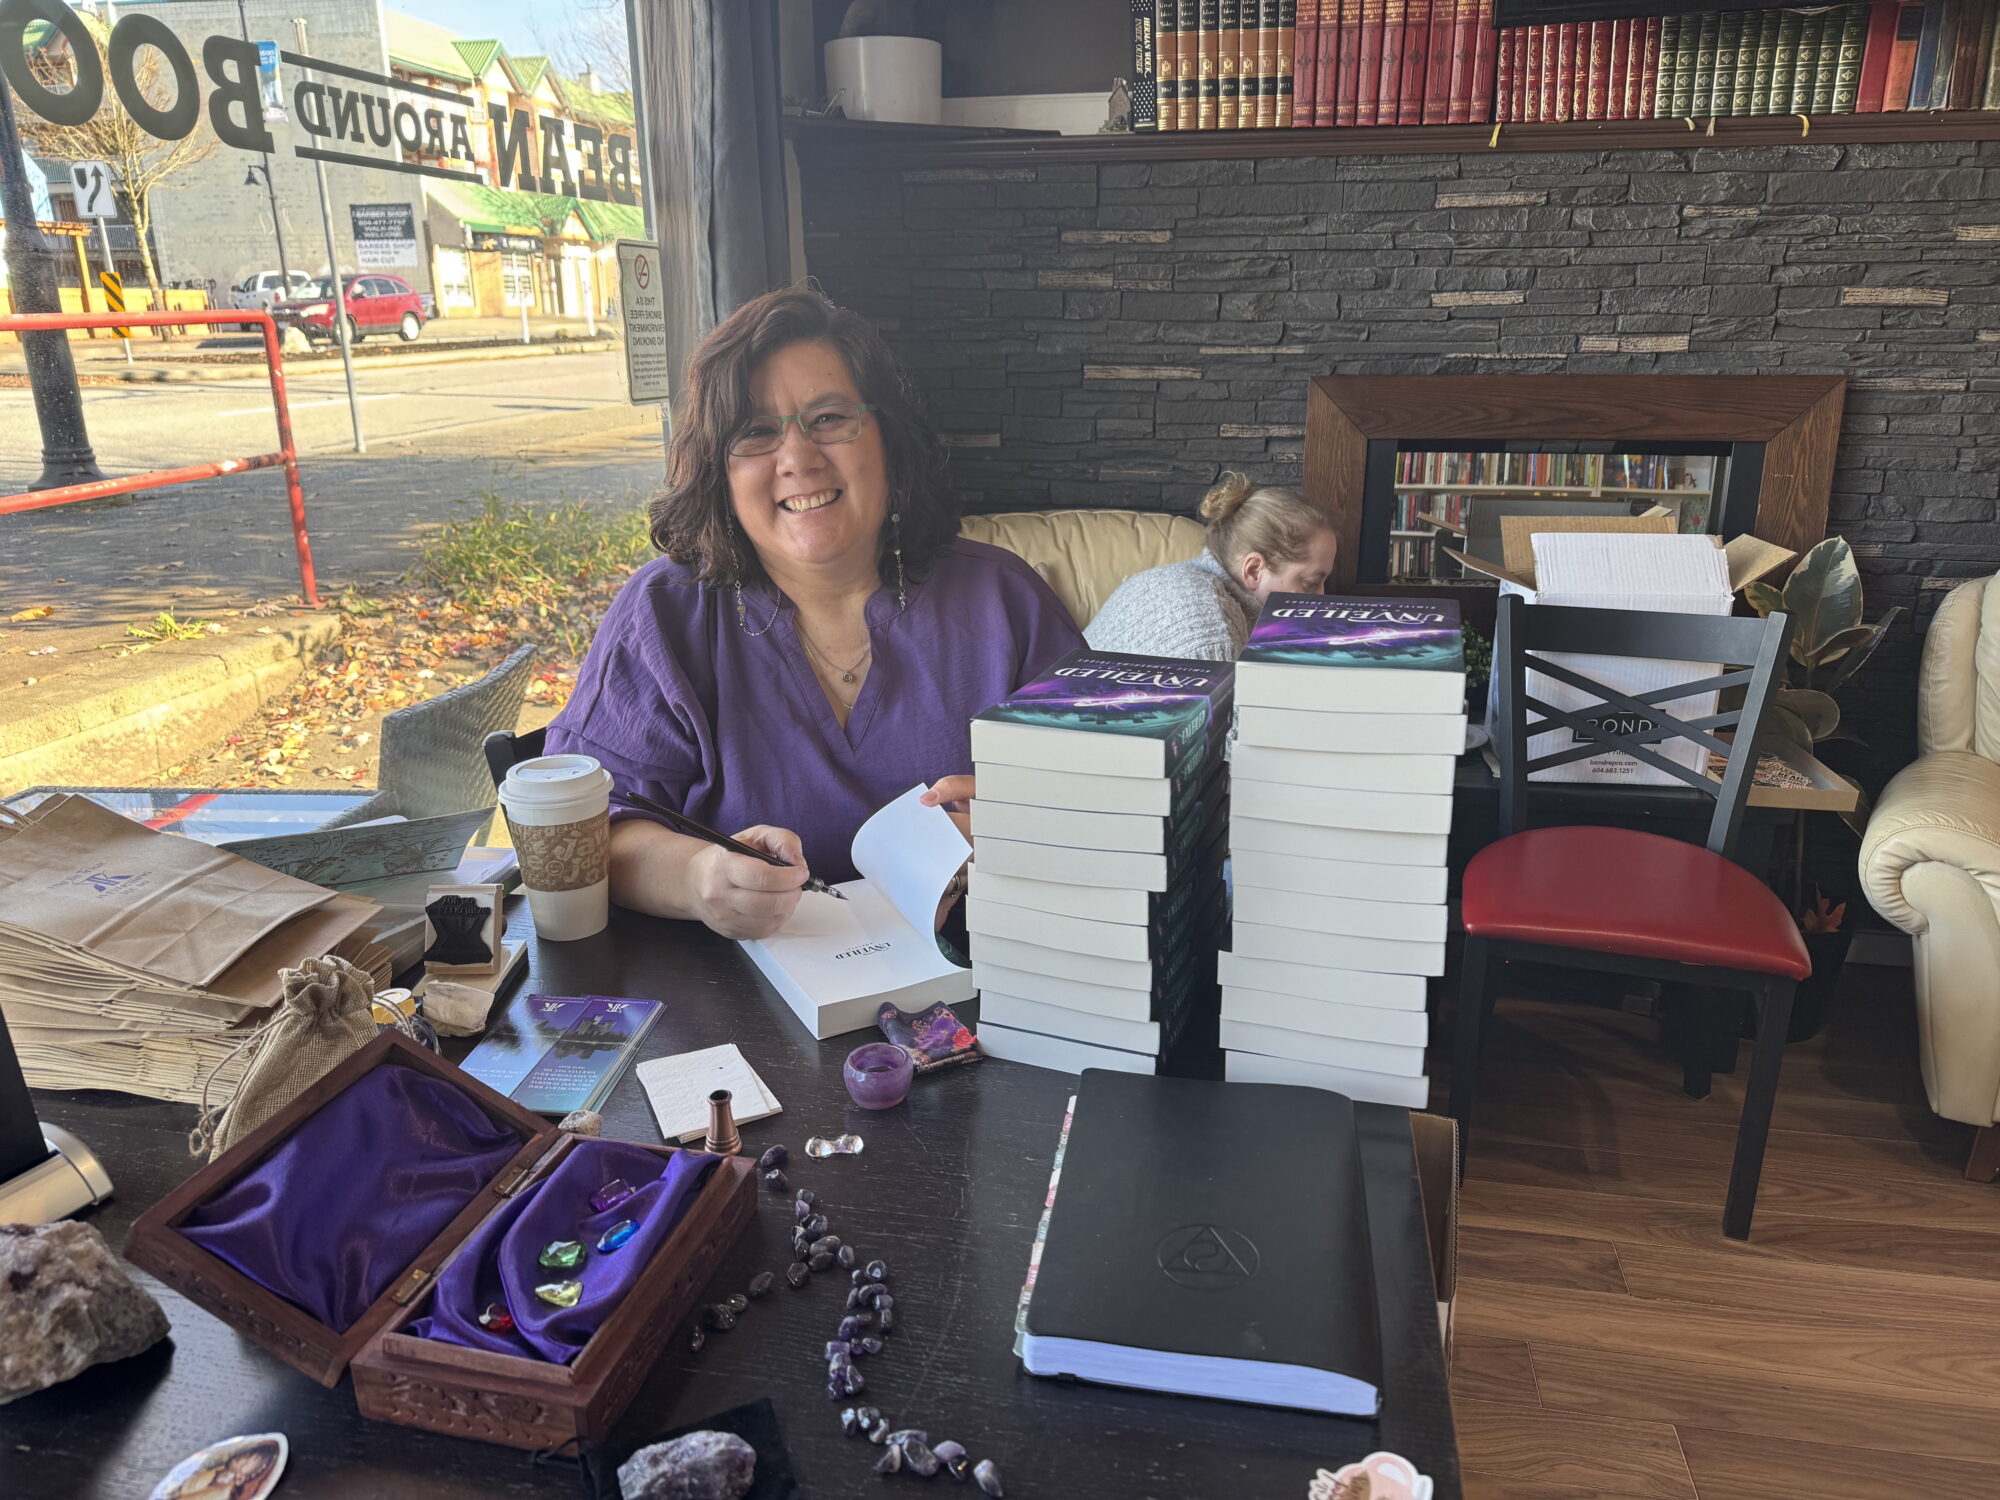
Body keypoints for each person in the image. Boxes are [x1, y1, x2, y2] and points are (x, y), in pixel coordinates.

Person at [544, 287, 1083, 940]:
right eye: (756, 431)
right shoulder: (665, 618)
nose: (798, 458)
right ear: (720, 472)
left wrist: (1026, 827)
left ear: (887, 438)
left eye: (829, 418)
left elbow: (1110, 810)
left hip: (975, 994)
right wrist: (697, 879)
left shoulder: (1006, 603)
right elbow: (586, 827)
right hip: (736, 1011)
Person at [1083, 472, 1339, 661]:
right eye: (1310, 582)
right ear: (1253, 571)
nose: (1321, 597)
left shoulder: (1183, 577)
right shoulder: (1213, 637)